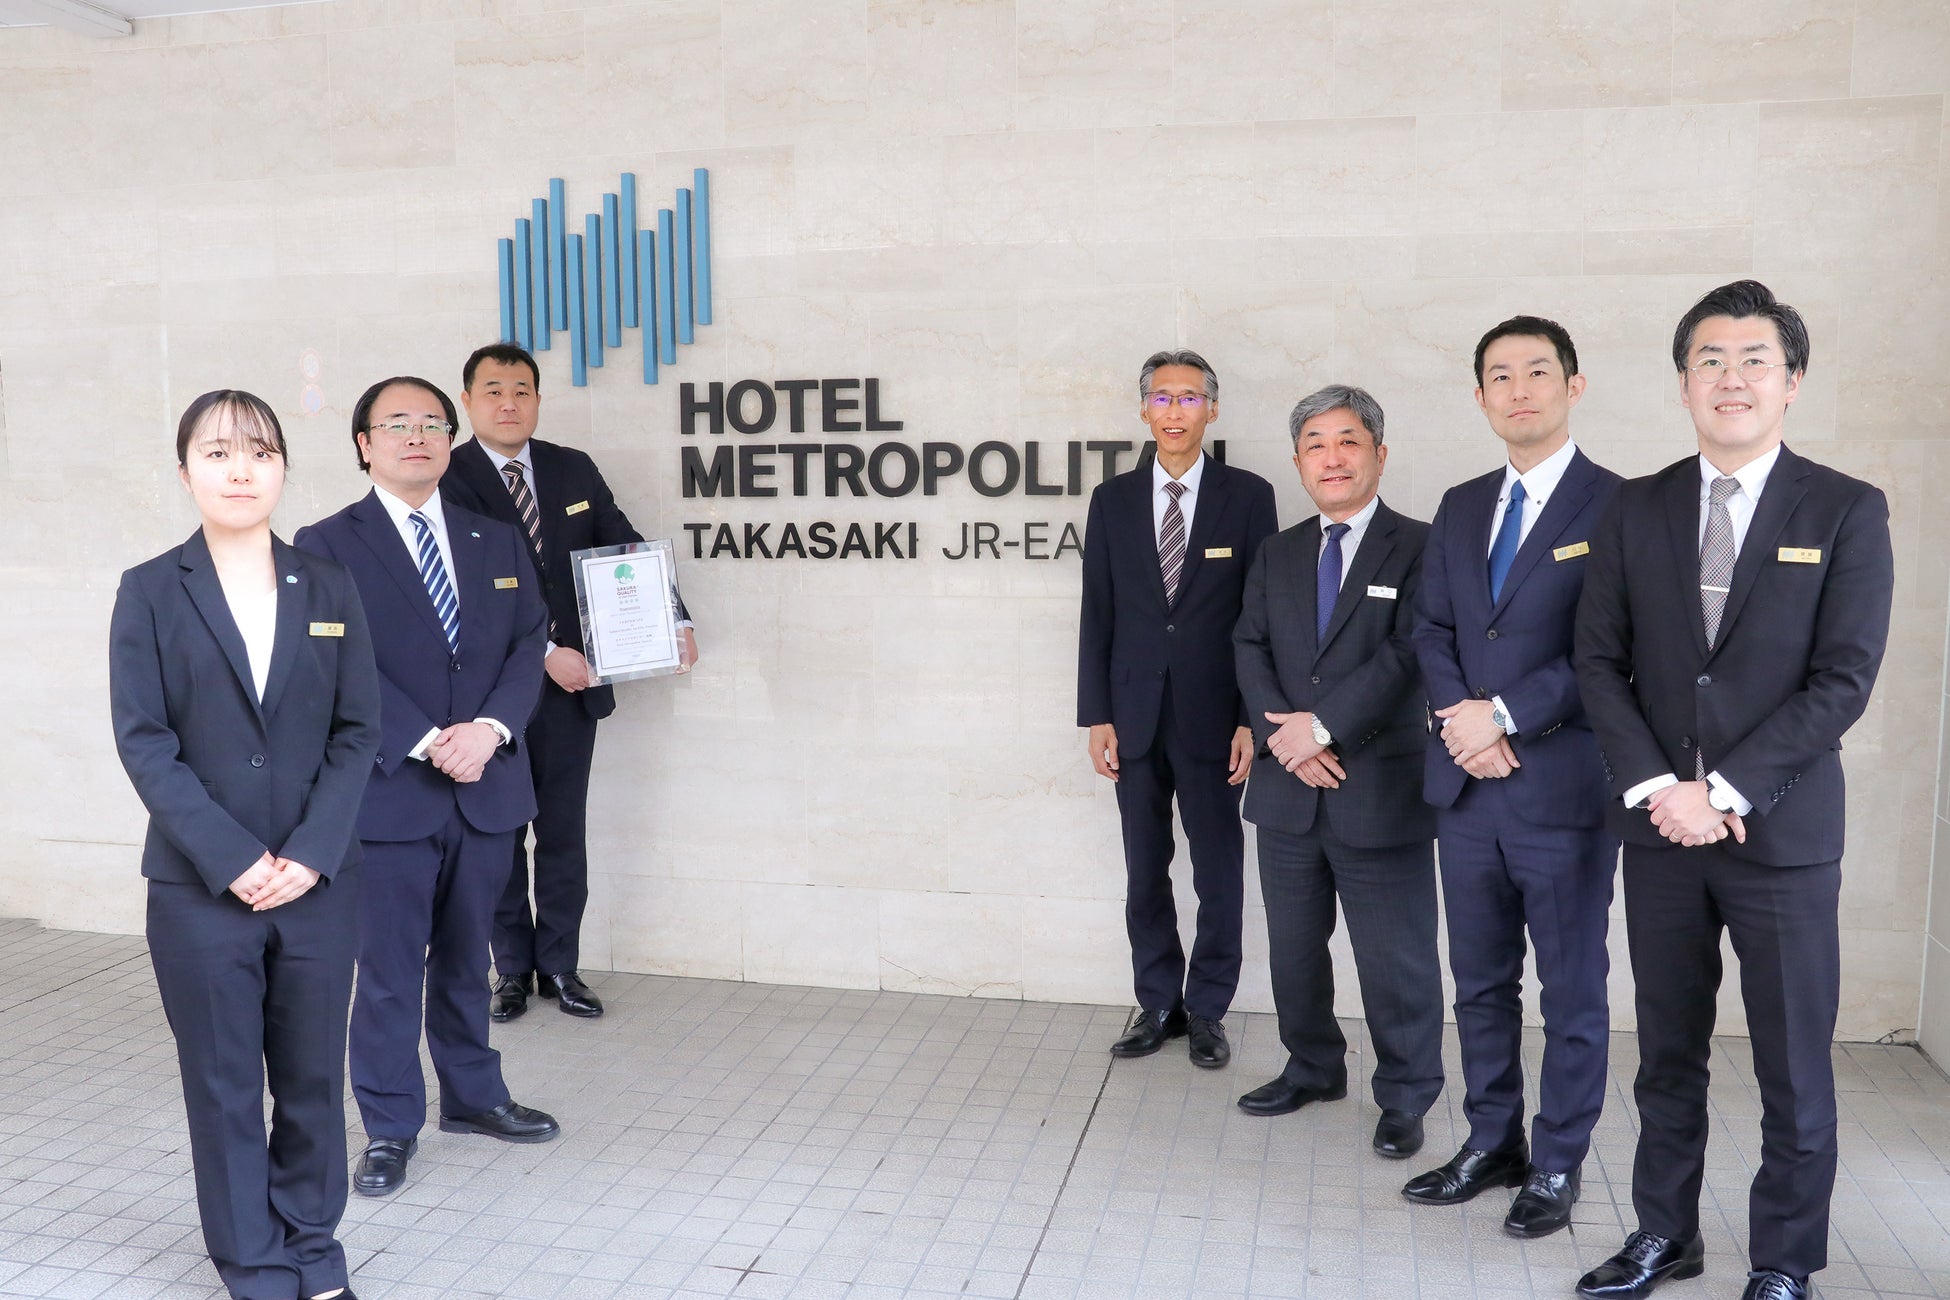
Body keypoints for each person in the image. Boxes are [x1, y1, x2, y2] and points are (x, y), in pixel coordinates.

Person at [1573, 281, 1893, 1300]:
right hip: (1662, 831)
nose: (1732, 378)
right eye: (1709, 360)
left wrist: (1725, 790)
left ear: (1792, 381)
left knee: (1793, 1063)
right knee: (1667, 1051)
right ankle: (1664, 1233)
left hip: (1782, 835)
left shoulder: (1845, 508)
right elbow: (1598, 661)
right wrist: (1661, 788)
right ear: (1682, 384)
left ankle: (1784, 1260)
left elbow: (1842, 679)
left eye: (1755, 359)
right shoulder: (1636, 505)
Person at [110, 390, 381, 1300]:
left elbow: (358, 730)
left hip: (317, 884)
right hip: (198, 890)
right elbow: (145, 741)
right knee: (224, 1085)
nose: (240, 470)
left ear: (284, 469)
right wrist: (231, 858)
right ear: (185, 470)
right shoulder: (151, 589)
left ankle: (314, 1251)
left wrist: (311, 851)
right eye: (218, 452)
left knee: (312, 1080)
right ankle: (255, 1266)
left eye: (260, 452)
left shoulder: (329, 585)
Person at [294, 377, 558, 1198]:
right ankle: (390, 1126)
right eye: (397, 424)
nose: (417, 436)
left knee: (469, 958)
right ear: (364, 444)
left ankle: (473, 1098)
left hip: (486, 786)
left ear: (450, 439)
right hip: (389, 791)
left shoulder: (494, 538)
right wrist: (426, 738)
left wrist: (490, 730)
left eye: (432, 423)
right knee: (387, 971)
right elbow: (332, 658)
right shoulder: (324, 543)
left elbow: (529, 642)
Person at [1403, 317, 1621, 1236]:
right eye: (1500, 375)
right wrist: (1463, 722)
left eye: (1537, 371)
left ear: (1574, 386)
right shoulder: (1460, 505)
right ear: (1480, 395)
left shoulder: (1620, 505)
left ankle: (1558, 1160)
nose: (1518, 389)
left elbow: (1612, 649)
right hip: (1466, 791)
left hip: (1559, 789)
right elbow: (1431, 628)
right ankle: (1492, 1140)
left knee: (1570, 990)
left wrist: (1502, 716)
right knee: (1480, 983)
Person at [440, 343, 696, 1022]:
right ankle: (510, 970)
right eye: (493, 390)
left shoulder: (570, 467)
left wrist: (673, 619)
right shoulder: (448, 477)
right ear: (467, 401)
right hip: (488, 699)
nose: (508, 403)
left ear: (537, 399)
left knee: (561, 835)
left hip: (570, 695)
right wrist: (546, 650)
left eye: (521, 390)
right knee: (499, 837)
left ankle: (560, 967)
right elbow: (466, 592)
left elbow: (623, 545)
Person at [1231, 384, 1443, 1158]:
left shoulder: (1421, 546)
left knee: (1396, 959)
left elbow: (1409, 652)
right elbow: (1249, 645)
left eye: (1348, 441)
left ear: (1379, 454)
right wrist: (1286, 738)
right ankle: (1313, 1067)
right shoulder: (1278, 551)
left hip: (1378, 789)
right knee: (1293, 950)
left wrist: (1321, 728)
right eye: (1316, 444)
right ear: (1298, 462)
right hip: (1287, 790)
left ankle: (1407, 1094)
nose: (1333, 457)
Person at [1077, 349, 1278, 1067]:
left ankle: (1209, 1008)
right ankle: (1157, 1001)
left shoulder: (1248, 496)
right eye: (1162, 398)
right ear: (1144, 410)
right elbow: (1097, 612)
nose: (1175, 411)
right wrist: (1097, 715)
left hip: (1215, 719)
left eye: (1189, 398)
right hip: (1132, 716)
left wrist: (1251, 718)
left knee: (1218, 871)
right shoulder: (1112, 501)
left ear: (1211, 410)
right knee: (1145, 867)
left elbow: (1261, 616)